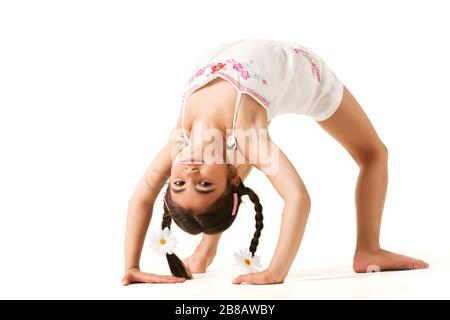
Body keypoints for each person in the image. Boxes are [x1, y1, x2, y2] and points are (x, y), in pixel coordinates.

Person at [122, 39, 428, 286]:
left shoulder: (178, 141)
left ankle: (204, 251)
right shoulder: (247, 136)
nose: (190, 172)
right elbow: (297, 197)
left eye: (179, 183)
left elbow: (141, 197)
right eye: (203, 184)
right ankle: (368, 249)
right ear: (231, 180)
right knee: (374, 154)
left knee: (244, 159)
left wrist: (132, 266)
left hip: (237, 60)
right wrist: (276, 271)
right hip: (304, 74)